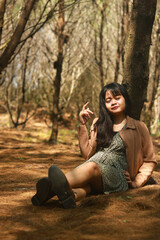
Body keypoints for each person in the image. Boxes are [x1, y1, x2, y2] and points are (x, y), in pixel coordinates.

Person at [31, 82, 157, 209]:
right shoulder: (99, 123)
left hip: (117, 175)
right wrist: (82, 125)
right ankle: (70, 196)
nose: (113, 102)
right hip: (94, 170)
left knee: (92, 167)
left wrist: (137, 182)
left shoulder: (139, 127)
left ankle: (50, 185)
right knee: (87, 186)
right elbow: (86, 153)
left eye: (117, 98)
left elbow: (149, 160)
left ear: (125, 99)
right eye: (108, 100)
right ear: (104, 105)